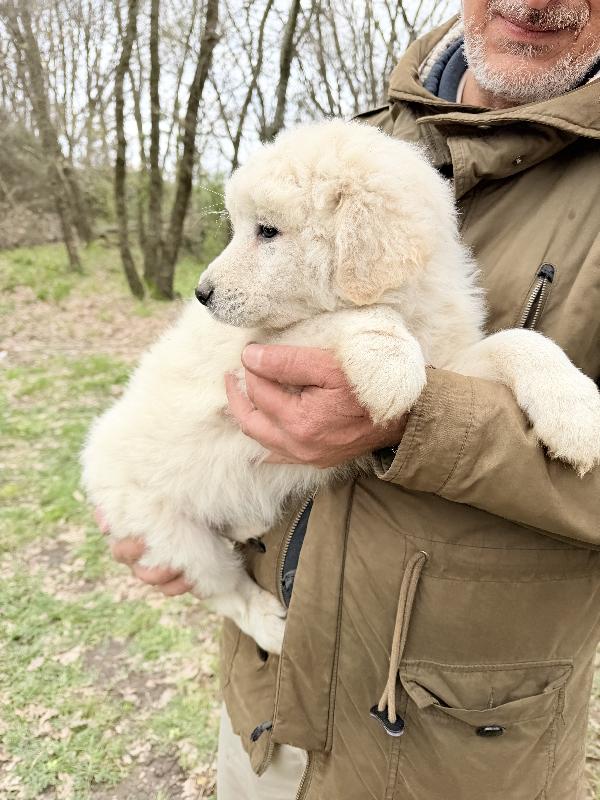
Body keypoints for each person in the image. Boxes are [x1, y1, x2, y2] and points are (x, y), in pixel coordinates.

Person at [104, 1, 600, 797]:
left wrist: (425, 418)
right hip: (272, 708)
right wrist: (158, 517)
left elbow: (419, 372)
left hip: (462, 745)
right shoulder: (354, 140)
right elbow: (203, 366)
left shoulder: (369, 195)